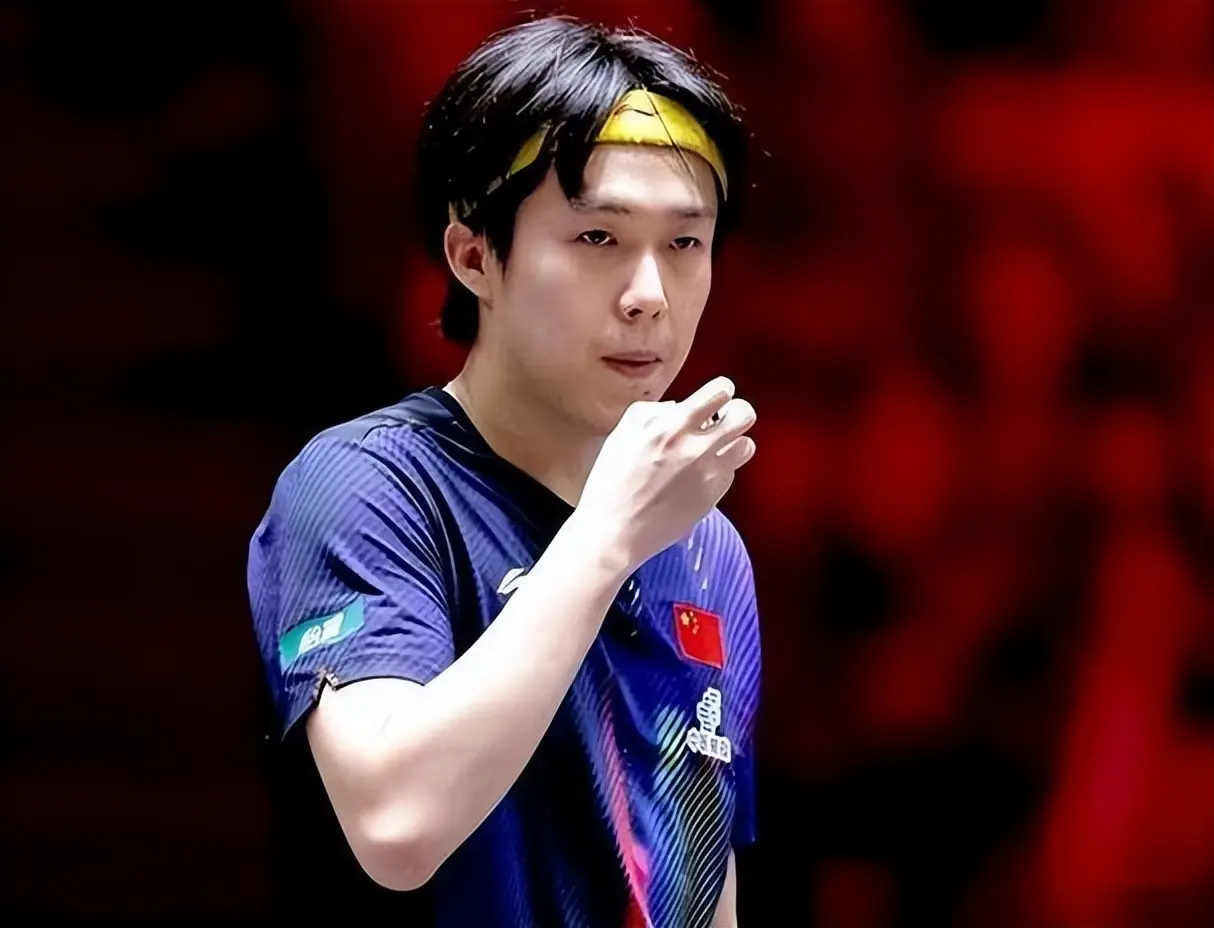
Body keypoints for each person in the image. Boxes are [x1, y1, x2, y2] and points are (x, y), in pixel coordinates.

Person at [247, 15, 760, 927]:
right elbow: (397, 826)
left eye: (685, 243)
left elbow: (702, 890)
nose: (649, 294)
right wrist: (607, 539)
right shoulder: (367, 487)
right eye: (597, 238)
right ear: (474, 255)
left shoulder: (707, 548)